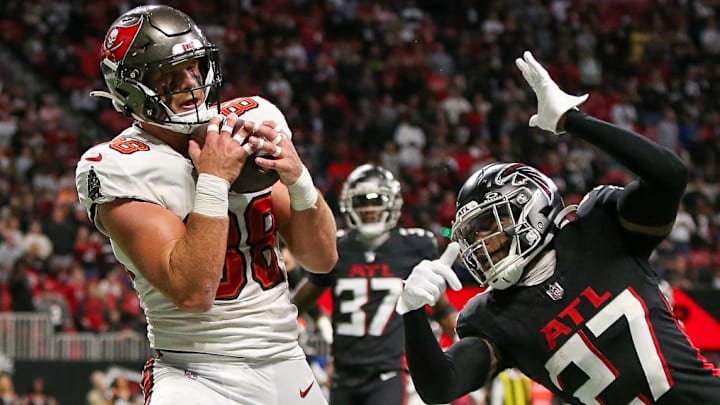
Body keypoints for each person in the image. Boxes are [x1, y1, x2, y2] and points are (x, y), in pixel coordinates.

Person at [394, 51, 720, 404]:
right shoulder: (492, 317)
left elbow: (669, 176)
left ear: (529, 207)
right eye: (473, 234)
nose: (481, 242)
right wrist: (412, 312)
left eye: (489, 225)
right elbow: (440, 386)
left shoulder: (600, 227)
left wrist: (573, 121)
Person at [75, 5, 337, 405]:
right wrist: (214, 180)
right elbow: (194, 292)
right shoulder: (119, 164)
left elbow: (322, 259)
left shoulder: (250, 121)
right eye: (169, 76)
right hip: (197, 375)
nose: (191, 84)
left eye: (194, 67)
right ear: (130, 89)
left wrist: (299, 179)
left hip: (286, 361)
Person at [292, 164, 458, 405]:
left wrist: (457, 345)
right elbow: (299, 301)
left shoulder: (413, 246)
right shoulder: (338, 247)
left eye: (377, 200)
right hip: (343, 373)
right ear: (348, 204)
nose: (369, 209)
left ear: (393, 202)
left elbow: (441, 307)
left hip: (388, 373)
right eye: (361, 201)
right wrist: (322, 322)